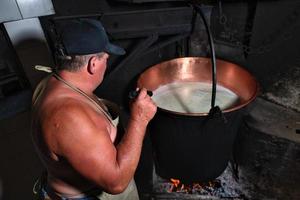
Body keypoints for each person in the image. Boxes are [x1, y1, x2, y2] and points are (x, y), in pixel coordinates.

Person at [31, 18, 157, 200]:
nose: (107, 63)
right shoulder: (68, 118)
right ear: (93, 64)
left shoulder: (54, 82)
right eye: (106, 58)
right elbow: (116, 183)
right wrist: (140, 119)